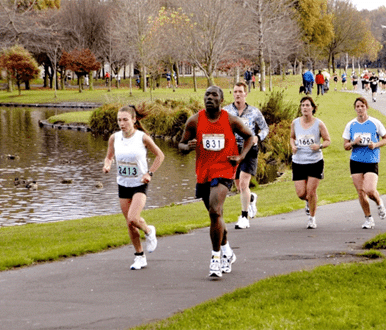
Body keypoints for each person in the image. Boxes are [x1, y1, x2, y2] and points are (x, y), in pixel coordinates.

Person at [179, 85, 254, 278]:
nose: (209, 98)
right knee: (216, 215)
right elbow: (180, 143)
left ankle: (215, 259)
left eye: (214, 95)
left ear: (221, 100)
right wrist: (187, 146)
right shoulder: (195, 120)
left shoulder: (231, 120)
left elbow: (250, 137)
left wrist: (240, 157)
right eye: (207, 95)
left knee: (215, 210)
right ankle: (228, 251)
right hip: (204, 172)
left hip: (224, 170)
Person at [102, 105, 165, 270]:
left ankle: (149, 231)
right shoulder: (114, 138)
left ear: (134, 120)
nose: (122, 123)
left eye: (125, 120)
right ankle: (139, 256)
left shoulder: (142, 137)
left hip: (140, 184)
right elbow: (109, 157)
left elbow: (160, 155)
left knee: (132, 218)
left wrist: (149, 173)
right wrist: (107, 165)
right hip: (123, 184)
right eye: (119, 120)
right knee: (130, 223)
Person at [223, 82, 269, 230]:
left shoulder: (254, 112)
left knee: (243, 184)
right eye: (235, 91)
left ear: (245, 94)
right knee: (238, 185)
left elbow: (265, 128)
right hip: (232, 150)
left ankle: (244, 217)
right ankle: (252, 198)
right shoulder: (226, 111)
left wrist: (257, 137)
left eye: (240, 91)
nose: (237, 94)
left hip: (249, 150)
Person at [342, 97, 386, 229]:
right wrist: (353, 143)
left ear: (366, 107)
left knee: (369, 190)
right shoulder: (350, 125)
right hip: (356, 161)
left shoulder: (375, 123)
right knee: (360, 192)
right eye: (357, 106)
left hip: (371, 160)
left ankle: (379, 202)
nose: (359, 109)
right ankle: (368, 218)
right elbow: (345, 146)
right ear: (355, 108)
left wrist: (375, 144)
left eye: (362, 106)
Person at [290, 96, 331, 229]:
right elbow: (292, 137)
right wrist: (293, 146)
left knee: (311, 192)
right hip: (298, 161)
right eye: (302, 105)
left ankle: (312, 219)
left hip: (314, 161)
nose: (305, 108)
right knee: (302, 194)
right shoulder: (295, 123)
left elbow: (327, 140)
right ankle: (309, 202)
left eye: (307, 105)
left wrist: (319, 146)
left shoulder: (319, 123)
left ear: (313, 108)